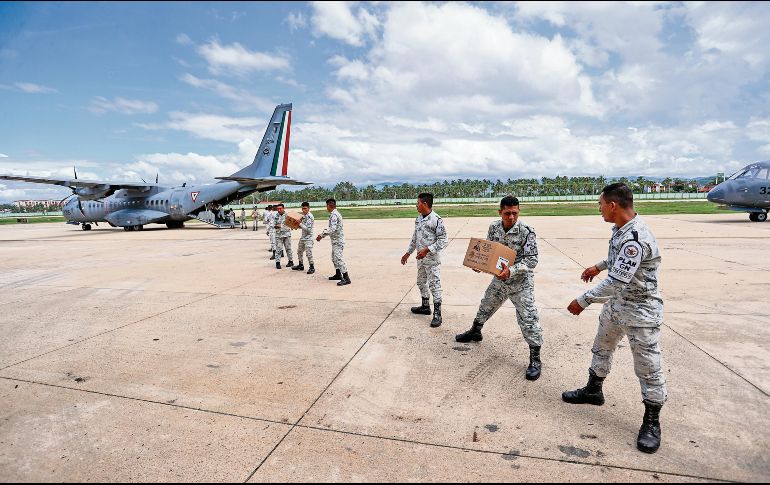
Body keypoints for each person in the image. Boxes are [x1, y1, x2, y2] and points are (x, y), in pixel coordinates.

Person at [563, 183, 667, 454]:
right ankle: (593, 390)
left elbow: (617, 280)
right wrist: (598, 265)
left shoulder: (636, 237)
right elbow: (618, 260)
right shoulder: (623, 231)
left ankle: (652, 421)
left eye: (600, 204)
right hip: (617, 306)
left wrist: (583, 300)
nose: (599, 208)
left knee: (648, 366)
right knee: (601, 348)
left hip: (640, 311)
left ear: (612, 205)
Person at [455, 196, 544, 381]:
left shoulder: (527, 231)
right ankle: (475, 331)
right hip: (499, 280)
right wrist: (480, 264)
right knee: (486, 305)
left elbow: (532, 260)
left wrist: (511, 271)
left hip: (521, 283)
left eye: (515, 213)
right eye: (507, 213)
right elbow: (489, 250)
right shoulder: (494, 227)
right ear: (500, 212)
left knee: (529, 319)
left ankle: (535, 358)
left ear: (519, 211)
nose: (511, 217)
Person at [401, 193, 448, 327]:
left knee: (434, 285)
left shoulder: (436, 220)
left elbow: (443, 240)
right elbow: (415, 237)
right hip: (420, 258)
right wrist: (407, 253)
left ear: (425, 204)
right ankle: (425, 306)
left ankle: (437, 314)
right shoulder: (419, 218)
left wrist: (427, 250)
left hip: (431, 259)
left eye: (418, 203)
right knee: (420, 282)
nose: (416, 205)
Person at [316, 198, 349, 286]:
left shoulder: (334, 215)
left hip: (338, 241)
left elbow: (332, 229)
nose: (326, 208)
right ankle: (338, 274)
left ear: (329, 205)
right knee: (334, 258)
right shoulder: (333, 214)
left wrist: (321, 235)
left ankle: (346, 278)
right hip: (335, 241)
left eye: (326, 206)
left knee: (339, 259)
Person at [292, 202, 315, 274]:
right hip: (303, 237)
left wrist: (299, 223)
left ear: (309, 208)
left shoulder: (310, 217)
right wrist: (295, 225)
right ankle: (300, 265)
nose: (303, 210)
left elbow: (308, 229)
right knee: (299, 251)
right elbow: (302, 227)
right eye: (302, 208)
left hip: (309, 238)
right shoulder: (303, 216)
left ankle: (312, 267)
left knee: (308, 253)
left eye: (305, 208)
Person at [273, 203, 294, 269]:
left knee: (288, 249)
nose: (279, 210)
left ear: (283, 208)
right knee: (278, 249)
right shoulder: (275, 215)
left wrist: (280, 226)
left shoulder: (288, 216)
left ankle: (291, 261)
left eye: (280, 208)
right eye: (278, 209)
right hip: (278, 235)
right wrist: (276, 226)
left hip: (287, 235)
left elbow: (290, 225)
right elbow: (273, 224)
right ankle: (277, 263)